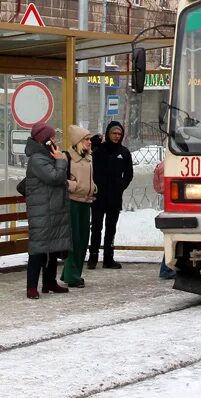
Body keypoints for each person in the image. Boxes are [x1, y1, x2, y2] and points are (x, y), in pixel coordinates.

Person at [23, 122, 71, 299]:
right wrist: (61, 160)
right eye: (52, 138)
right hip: (41, 210)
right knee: (38, 248)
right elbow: (55, 177)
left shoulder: (48, 156)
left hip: (53, 208)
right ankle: (31, 286)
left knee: (52, 246)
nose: (55, 140)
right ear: (44, 141)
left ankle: (49, 282)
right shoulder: (37, 159)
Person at [88, 120, 133, 269]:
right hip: (98, 196)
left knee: (111, 228)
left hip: (114, 197)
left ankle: (109, 257)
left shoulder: (124, 153)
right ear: (108, 133)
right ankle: (93, 257)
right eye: (114, 133)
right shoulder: (99, 150)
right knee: (96, 227)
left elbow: (128, 174)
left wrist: (120, 186)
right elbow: (87, 161)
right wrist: (94, 143)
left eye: (119, 134)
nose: (116, 136)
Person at [61, 125, 96, 288]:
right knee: (74, 240)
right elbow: (59, 178)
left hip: (86, 201)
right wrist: (73, 186)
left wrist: (94, 188)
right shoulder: (66, 157)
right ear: (78, 141)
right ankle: (73, 276)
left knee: (83, 240)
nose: (90, 142)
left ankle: (72, 273)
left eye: (89, 139)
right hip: (72, 202)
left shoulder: (89, 157)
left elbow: (89, 179)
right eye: (86, 139)